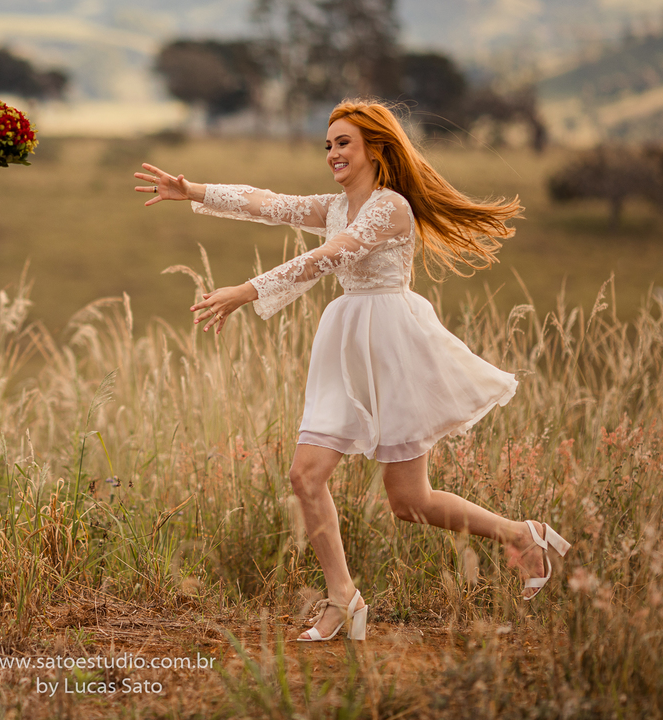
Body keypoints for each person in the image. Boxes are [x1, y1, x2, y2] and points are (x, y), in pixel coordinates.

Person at [134, 99, 570, 642]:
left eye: (344, 143)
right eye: (328, 145)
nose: (333, 153)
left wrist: (247, 291)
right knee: (305, 475)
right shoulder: (337, 206)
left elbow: (331, 256)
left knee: (409, 502)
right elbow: (267, 202)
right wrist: (194, 191)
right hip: (345, 346)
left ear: (375, 149)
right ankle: (343, 598)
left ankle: (522, 535)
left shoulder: (391, 208)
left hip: (394, 347)